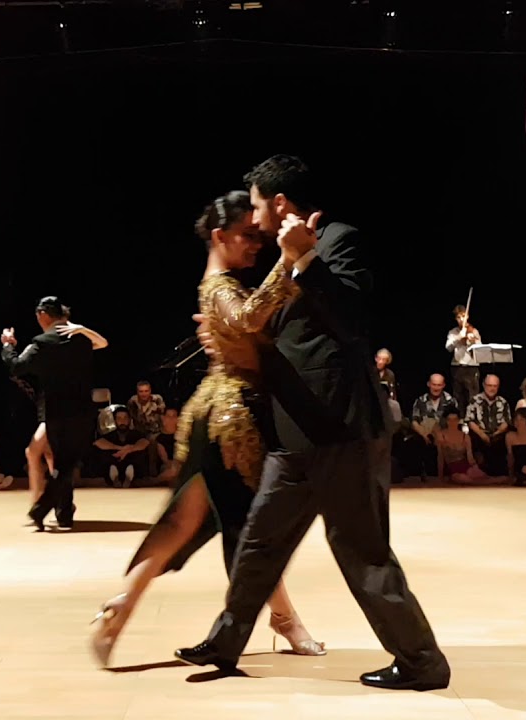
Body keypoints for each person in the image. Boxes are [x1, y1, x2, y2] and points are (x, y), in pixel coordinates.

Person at [174, 155, 449, 691]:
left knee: (361, 551)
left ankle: (421, 663)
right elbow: (278, 336)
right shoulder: (280, 260)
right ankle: (226, 641)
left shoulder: (338, 240)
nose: (252, 220)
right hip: (298, 433)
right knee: (259, 542)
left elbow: (351, 321)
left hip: (343, 429)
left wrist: (306, 261)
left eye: (255, 206)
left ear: (279, 204)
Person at [89, 190, 323, 667]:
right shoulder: (220, 286)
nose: (254, 245)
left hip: (212, 414)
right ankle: (284, 620)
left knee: (186, 522)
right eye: (246, 237)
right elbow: (248, 315)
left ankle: (122, 606)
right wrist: (289, 258)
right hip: (232, 420)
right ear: (219, 236)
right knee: (246, 526)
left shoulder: (218, 285)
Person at [2, 296, 96, 531]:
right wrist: (83, 330)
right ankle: (54, 510)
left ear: (43, 315)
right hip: (81, 411)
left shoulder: (42, 343)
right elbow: (102, 344)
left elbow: (16, 366)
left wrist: (7, 345)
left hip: (55, 412)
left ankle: (45, 508)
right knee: (57, 461)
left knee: (57, 462)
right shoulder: (80, 340)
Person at [23, 320, 108, 508]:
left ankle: (42, 503)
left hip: (62, 409)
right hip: (47, 405)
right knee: (47, 454)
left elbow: (102, 343)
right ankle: (55, 501)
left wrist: (83, 329)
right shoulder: (45, 348)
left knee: (37, 452)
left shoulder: (74, 349)